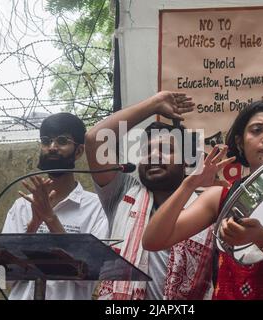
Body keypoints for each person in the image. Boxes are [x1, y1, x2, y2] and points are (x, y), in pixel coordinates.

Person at [142, 100, 263, 300]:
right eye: (257, 130)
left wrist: (262, 238)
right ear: (240, 142)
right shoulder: (221, 196)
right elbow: (153, 240)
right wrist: (189, 184)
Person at [85, 91, 215, 300]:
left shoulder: (205, 207)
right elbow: (95, 140)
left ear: (186, 162)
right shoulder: (123, 193)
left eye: (166, 149)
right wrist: (154, 104)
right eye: (147, 150)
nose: (154, 156)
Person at [2, 112, 109, 300]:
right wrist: (33, 226)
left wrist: (50, 219)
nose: (52, 147)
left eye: (62, 141)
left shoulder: (96, 208)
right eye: (46, 141)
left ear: (79, 151)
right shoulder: (22, 206)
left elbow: (89, 276)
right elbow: (3, 278)